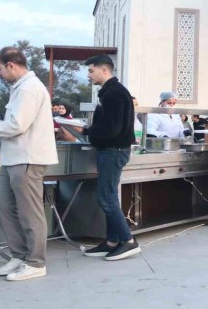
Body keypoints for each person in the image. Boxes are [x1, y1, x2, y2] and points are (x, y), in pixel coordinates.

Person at [0, 47, 58, 282]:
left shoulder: (30, 89)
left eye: (0, 68)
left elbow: (16, 125)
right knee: (3, 206)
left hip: (27, 158)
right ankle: (19, 256)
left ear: (11, 65)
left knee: (29, 212)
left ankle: (36, 262)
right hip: (11, 158)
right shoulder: (19, 88)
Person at [81, 55, 141, 261]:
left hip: (114, 150)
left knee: (105, 198)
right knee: (109, 196)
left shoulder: (114, 93)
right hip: (112, 149)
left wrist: (89, 132)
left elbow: (112, 129)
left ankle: (128, 241)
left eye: (91, 71)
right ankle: (112, 241)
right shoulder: (111, 92)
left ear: (104, 70)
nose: (88, 75)